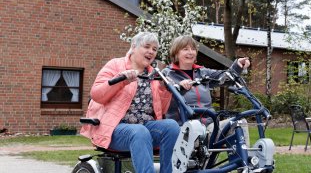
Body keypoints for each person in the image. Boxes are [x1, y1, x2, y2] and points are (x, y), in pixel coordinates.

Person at [80, 32, 179, 173]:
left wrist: (164, 90)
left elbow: (161, 111)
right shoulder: (115, 65)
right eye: (147, 47)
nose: (151, 51)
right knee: (139, 131)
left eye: (155, 49)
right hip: (115, 129)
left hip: (145, 127)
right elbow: (96, 94)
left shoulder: (154, 74)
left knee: (171, 126)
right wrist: (121, 81)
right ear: (134, 46)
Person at [162, 35, 250, 142]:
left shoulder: (202, 72)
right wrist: (179, 86)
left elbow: (225, 78)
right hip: (184, 128)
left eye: (193, 49)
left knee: (239, 123)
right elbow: (162, 94)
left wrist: (238, 66)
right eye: (185, 49)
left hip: (209, 125)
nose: (190, 52)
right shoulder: (167, 74)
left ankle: (245, 158)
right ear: (176, 53)